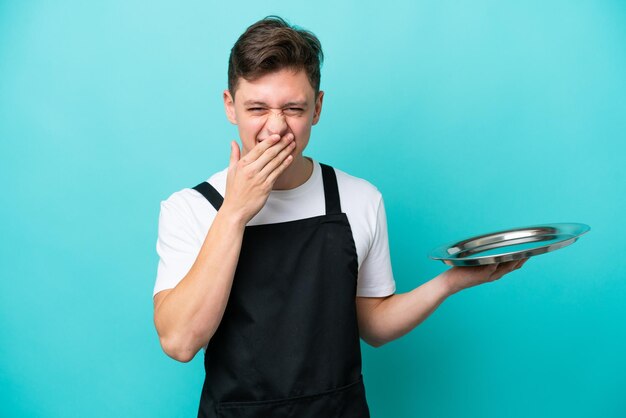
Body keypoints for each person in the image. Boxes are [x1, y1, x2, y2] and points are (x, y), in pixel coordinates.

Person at [152, 16, 528, 418]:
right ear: (230, 106)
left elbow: (374, 326)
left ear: (317, 107)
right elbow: (179, 342)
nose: (275, 129)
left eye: (293, 108)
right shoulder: (190, 208)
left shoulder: (359, 198)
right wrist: (235, 213)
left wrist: (452, 281)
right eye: (257, 108)